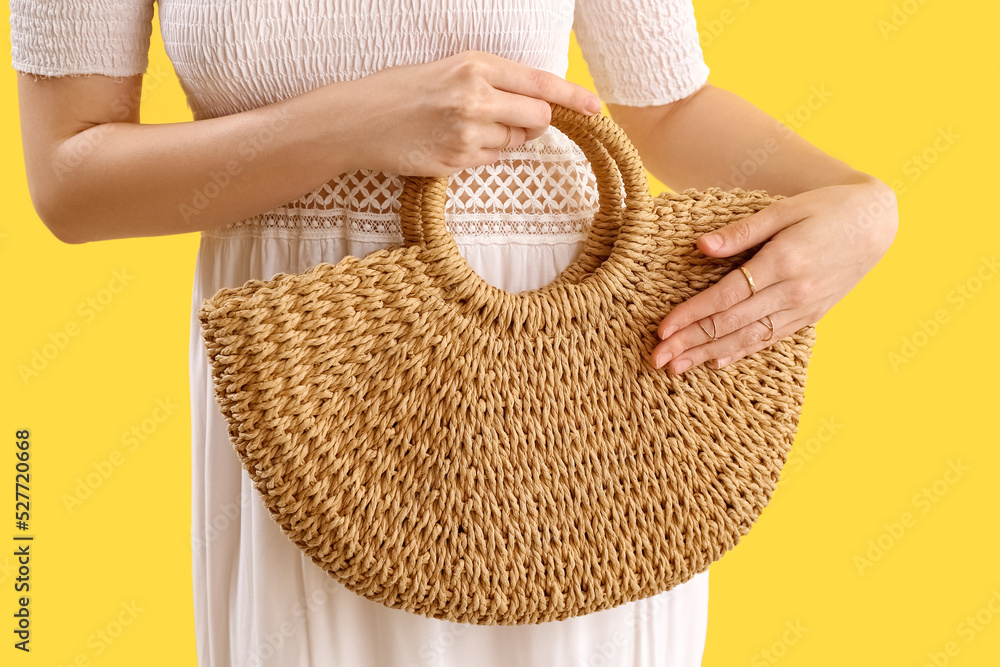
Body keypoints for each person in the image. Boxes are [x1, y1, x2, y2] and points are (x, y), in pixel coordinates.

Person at [11, 1, 897, 665]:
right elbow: (70, 177)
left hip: (576, 393)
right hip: (315, 379)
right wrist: (346, 124)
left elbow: (664, 108)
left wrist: (864, 206)